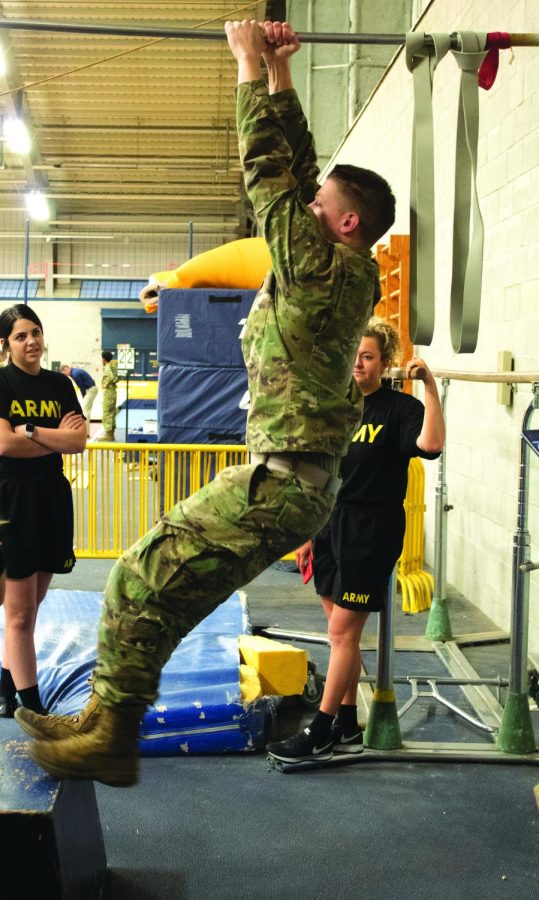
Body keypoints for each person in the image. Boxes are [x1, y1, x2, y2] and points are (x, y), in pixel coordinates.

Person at [15, 19, 396, 787]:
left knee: (135, 573)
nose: (306, 201)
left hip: (284, 480)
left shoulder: (321, 265)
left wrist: (247, 66)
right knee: (152, 579)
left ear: (343, 224)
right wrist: (284, 73)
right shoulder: (335, 262)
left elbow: (267, 174)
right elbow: (299, 169)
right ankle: (100, 717)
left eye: (319, 203)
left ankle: (110, 735)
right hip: (291, 479)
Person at [267, 318, 445, 763]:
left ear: (384, 363)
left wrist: (430, 387)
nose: (358, 365)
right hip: (329, 523)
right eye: (353, 357)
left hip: (372, 528)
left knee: (342, 633)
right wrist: (308, 532)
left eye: (366, 357)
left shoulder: (398, 409)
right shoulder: (337, 407)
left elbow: (432, 445)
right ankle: (346, 724)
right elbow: (322, 471)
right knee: (337, 633)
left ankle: (320, 731)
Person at [0, 305, 87, 718]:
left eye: (35, 332)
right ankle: (31, 707)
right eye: (20, 336)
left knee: (33, 603)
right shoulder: (1, 382)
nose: (31, 341)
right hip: (13, 499)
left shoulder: (60, 384)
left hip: (52, 496)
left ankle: (5, 682)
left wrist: (32, 431)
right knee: (18, 612)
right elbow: (3, 445)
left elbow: (78, 442)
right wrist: (56, 438)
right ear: (6, 344)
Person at [59, 363, 97, 436]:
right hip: (90, 389)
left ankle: (85, 433)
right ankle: (86, 432)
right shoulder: (74, 372)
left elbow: (81, 387)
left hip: (90, 390)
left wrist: (84, 396)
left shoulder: (75, 374)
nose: (65, 376)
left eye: (64, 374)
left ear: (66, 369)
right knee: (86, 409)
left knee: (85, 411)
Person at [101, 351, 118, 441]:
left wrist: (105, 384)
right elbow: (117, 377)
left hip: (108, 392)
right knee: (112, 413)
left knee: (107, 413)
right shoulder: (113, 366)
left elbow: (110, 377)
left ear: (103, 359)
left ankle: (108, 435)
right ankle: (111, 434)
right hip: (113, 391)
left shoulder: (107, 367)